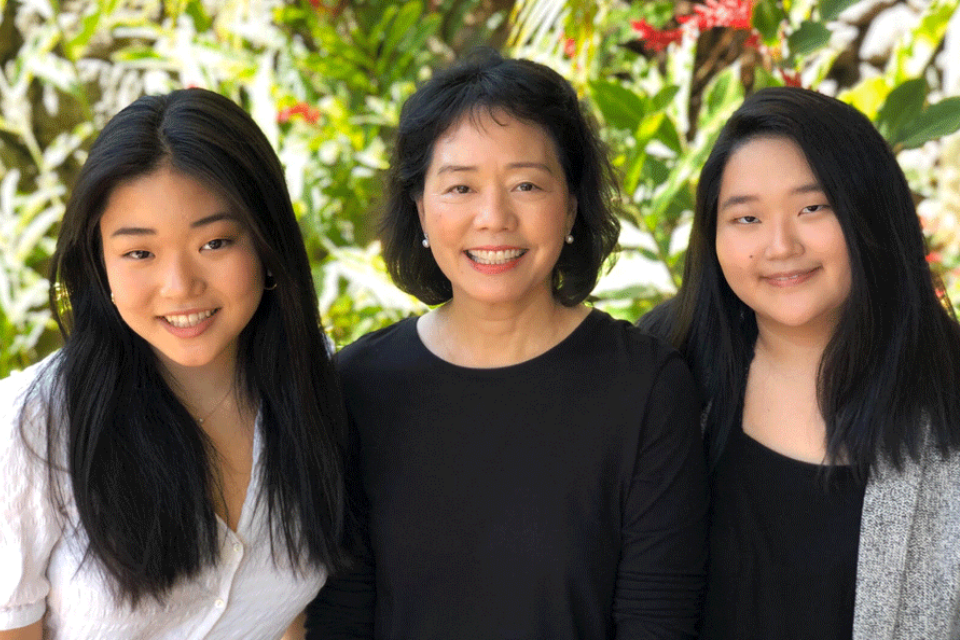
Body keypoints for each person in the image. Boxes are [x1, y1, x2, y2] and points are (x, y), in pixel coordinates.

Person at [306, 50, 709, 640]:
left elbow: (659, 620)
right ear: (419, 207)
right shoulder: (358, 384)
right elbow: (343, 610)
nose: (493, 218)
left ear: (571, 203)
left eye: (526, 184)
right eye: (460, 187)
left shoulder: (645, 387)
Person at [0, 88, 358, 639]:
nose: (179, 287)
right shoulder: (34, 427)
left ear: (266, 246)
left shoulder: (315, 387)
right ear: (100, 265)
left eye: (215, 243)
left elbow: (287, 619)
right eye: (139, 252)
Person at [639, 87, 960, 639]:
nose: (780, 245)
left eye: (812, 208)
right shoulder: (664, 361)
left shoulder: (947, 386)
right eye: (746, 218)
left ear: (870, 213)